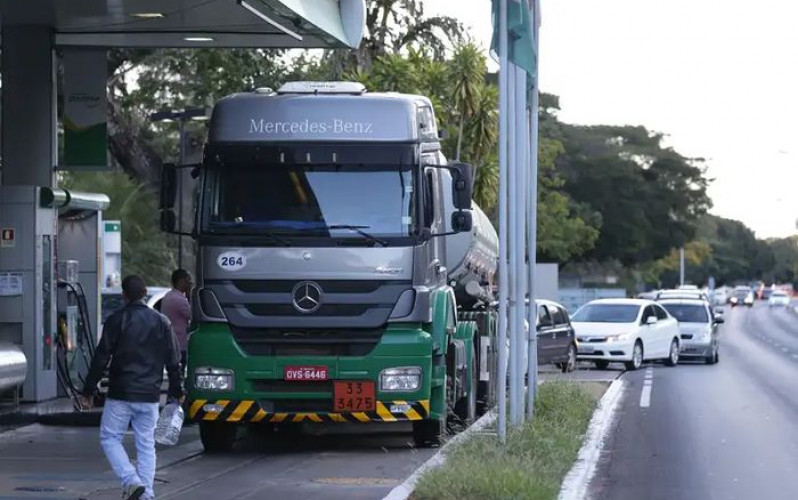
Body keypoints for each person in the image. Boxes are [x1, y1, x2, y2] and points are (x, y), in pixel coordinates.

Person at [79, 275, 183, 500]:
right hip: (150, 396)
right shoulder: (162, 322)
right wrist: (176, 392)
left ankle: (131, 480)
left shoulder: (116, 320)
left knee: (110, 438)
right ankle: (146, 494)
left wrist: (88, 391)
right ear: (144, 293)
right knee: (146, 444)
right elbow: (173, 361)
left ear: (124, 295)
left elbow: (101, 357)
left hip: (121, 394)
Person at [160, 269, 193, 373]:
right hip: (179, 343)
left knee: (175, 372)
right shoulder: (179, 299)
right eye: (188, 280)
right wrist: (190, 296)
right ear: (181, 281)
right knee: (178, 372)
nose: (190, 283)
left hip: (171, 341)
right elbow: (192, 315)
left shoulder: (169, 296)